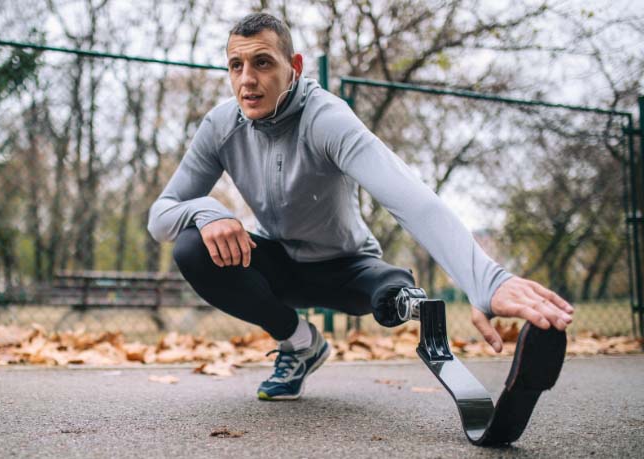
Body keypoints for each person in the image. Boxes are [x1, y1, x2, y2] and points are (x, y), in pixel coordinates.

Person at [147, 12, 573, 401]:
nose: (247, 81)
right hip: (279, 267)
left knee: (389, 297)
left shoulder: (326, 118)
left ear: (293, 67)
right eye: (235, 66)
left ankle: (402, 294)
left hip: (347, 269)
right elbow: (160, 216)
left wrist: (488, 280)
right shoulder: (221, 126)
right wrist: (207, 210)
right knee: (191, 247)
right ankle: (299, 344)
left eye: (262, 63)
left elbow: (410, 198)